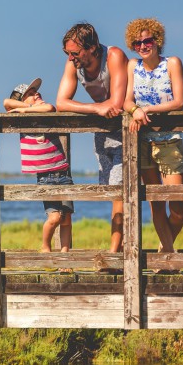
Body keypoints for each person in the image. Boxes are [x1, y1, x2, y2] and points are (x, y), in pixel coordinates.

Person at [56, 23, 128, 253]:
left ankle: (114, 253)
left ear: (93, 47)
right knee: (110, 191)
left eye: (75, 53)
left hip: (127, 130)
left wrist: (100, 107)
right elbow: (61, 103)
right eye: (67, 53)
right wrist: (96, 108)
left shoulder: (113, 56)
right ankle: (122, 248)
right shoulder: (73, 64)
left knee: (120, 190)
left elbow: (117, 103)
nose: (70, 58)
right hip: (102, 133)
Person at [122, 17, 183, 254]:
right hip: (141, 140)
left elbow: (178, 102)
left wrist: (148, 109)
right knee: (155, 203)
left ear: (157, 40)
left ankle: (163, 252)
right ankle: (167, 258)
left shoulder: (171, 63)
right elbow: (127, 100)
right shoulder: (132, 66)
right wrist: (134, 110)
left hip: (169, 140)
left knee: (178, 208)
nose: (143, 46)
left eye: (147, 41)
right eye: (138, 43)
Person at [3, 78, 74, 252]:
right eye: (31, 93)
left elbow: (50, 107)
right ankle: (45, 246)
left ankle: (65, 256)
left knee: (66, 220)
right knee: (55, 218)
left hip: (63, 172)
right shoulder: (22, 120)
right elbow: (6, 102)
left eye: (37, 92)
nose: (37, 94)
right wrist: (22, 108)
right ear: (20, 101)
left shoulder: (45, 113)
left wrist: (25, 107)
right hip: (45, 176)